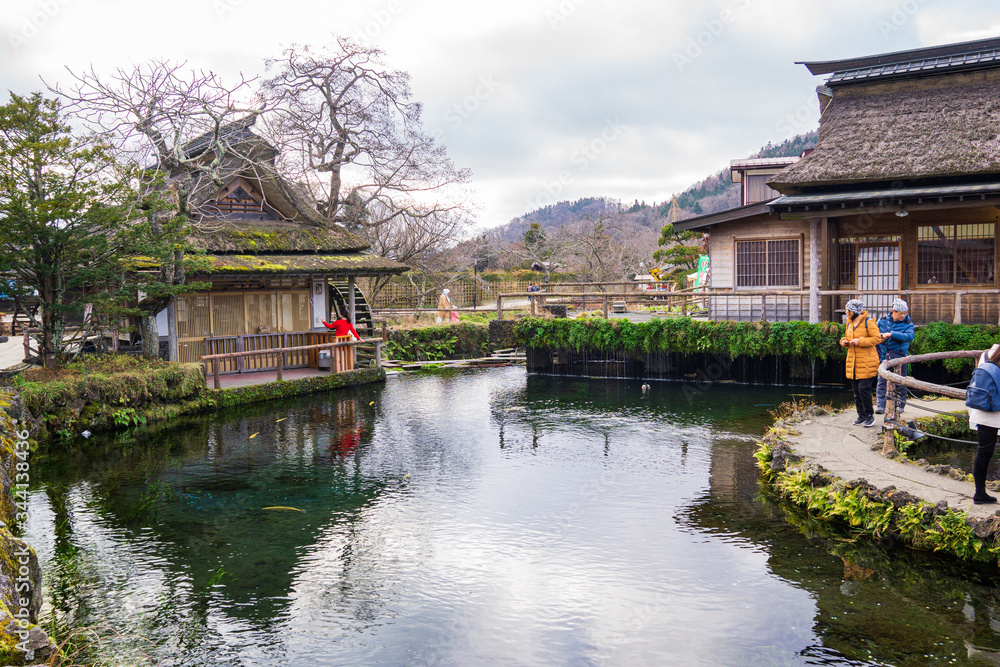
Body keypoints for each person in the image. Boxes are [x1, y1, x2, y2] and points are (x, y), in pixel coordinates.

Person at [839, 299, 882, 427]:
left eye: (848, 310)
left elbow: (877, 338)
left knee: (864, 389)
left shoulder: (869, 322)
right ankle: (861, 415)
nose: (846, 312)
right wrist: (843, 342)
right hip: (853, 362)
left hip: (868, 361)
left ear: (855, 311)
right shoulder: (849, 323)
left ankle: (869, 416)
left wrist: (860, 341)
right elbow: (847, 337)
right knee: (856, 390)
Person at [969, 343, 1000, 504]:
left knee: (983, 452)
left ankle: (979, 493)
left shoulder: (987, 354)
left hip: (984, 408)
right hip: (997, 409)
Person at [875, 299, 915, 416]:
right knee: (882, 382)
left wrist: (892, 334)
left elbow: (909, 336)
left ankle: (900, 405)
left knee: (901, 382)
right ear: (894, 311)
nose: (903, 315)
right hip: (884, 355)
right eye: (901, 313)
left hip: (900, 357)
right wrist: (880, 338)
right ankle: (881, 405)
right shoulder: (882, 321)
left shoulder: (908, 324)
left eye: (905, 313)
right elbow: (874, 335)